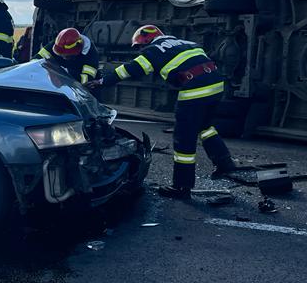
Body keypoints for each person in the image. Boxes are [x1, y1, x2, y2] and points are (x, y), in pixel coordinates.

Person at [87, 25, 235, 198]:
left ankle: (181, 187)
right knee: (206, 127)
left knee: (184, 139)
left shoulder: (153, 50)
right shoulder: (187, 43)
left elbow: (129, 69)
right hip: (216, 86)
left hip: (195, 89)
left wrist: (102, 82)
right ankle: (225, 163)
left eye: (140, 47)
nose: (141, 50)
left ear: (146, 40)